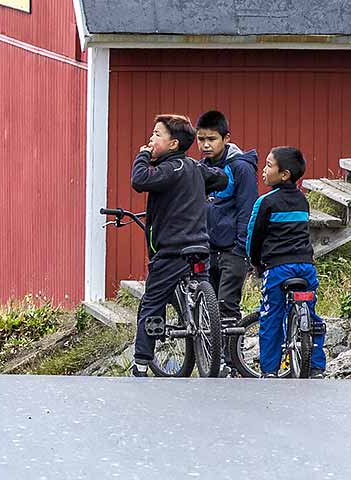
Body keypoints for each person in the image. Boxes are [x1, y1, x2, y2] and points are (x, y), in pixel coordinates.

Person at [130, 113, 226, 376]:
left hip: (171, 250)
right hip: (200, 246)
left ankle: (140, 362)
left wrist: (143, 155)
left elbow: (139, 180)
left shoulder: (167, 170)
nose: (151, 139)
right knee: (204, 294)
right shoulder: (194, 167)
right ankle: (214, 352)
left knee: (153, 301)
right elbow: (222, 179)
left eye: (157, 135)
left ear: (173, 144)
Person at [241, 145, 326, 376]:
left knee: (271, 315)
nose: (264, 171)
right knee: (310, 311)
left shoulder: (265, 202)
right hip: (306, 267)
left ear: (284, 174)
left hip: (278, 268)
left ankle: (269, 370)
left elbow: (254, 236)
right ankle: (317, 365)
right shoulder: (302, 200)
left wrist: (255, 262)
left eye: (269, 166)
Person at [195, 110, 258, 375]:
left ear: (226, 138)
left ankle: (231, 360)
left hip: (233, 249)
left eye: (211, 139)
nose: (206, 145)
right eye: (201, 139)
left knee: (227, 306)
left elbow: (247, 209)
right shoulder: (202, 167)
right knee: (208, 307)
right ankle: (214, 359)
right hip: (208, 247)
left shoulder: (240, 167)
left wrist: (242, 248)